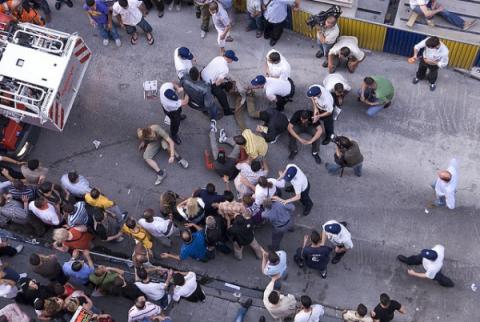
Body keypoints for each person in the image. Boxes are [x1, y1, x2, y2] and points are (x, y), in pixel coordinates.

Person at [201, 50, 238, 116]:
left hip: (202, 75)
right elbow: (217, 83)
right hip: (207, 83)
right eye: (232, 59)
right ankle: (227, 111)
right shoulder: (225, 68)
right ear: (228, 58)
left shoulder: (217, 58)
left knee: (222, 83)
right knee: (222, 94)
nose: (232, 61)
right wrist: (223, 80)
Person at [410, 0, 477, 30]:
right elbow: (427, 13)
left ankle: (463, 24)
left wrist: (434, 3)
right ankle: (429, 20)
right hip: (418, 7)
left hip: (426, 3)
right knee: (429, 14)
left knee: (444, 12)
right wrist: (438, 10)